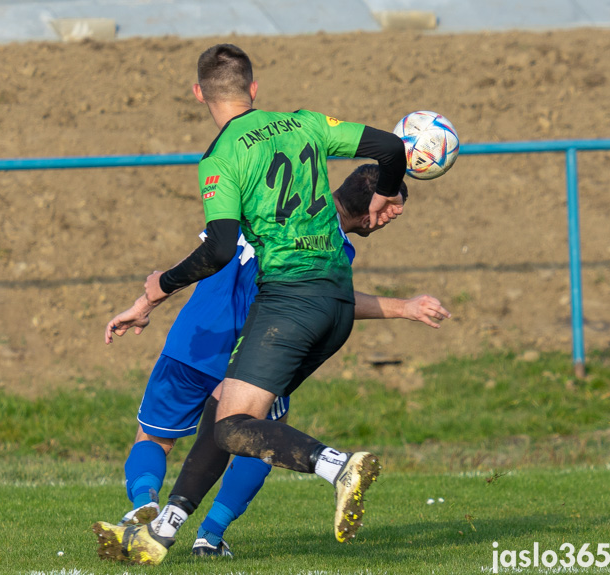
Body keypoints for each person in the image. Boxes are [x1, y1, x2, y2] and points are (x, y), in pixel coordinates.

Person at [94, 43, 421, 565]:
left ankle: (330, 467)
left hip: (253, 316)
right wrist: (391, 186)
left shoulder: (223, 162)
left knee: (202, 430)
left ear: (198, 93)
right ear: (255, 87)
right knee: (238, 425)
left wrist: (155, 291)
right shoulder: (307, 126)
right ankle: (185, 530)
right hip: (317, 307)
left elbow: (219, 249)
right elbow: (389, 146)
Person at [105, 163, 450, 558]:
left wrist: (149, 299)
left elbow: (207, 254)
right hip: (255, 349)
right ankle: (210, 536)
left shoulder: (262, 205)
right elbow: (327, 300)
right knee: (258, 436)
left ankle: (143, 502)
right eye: (391, 210)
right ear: (376, 209)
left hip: (192, 341)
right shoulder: (329, 242)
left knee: (154, 437)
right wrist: (402, 307)